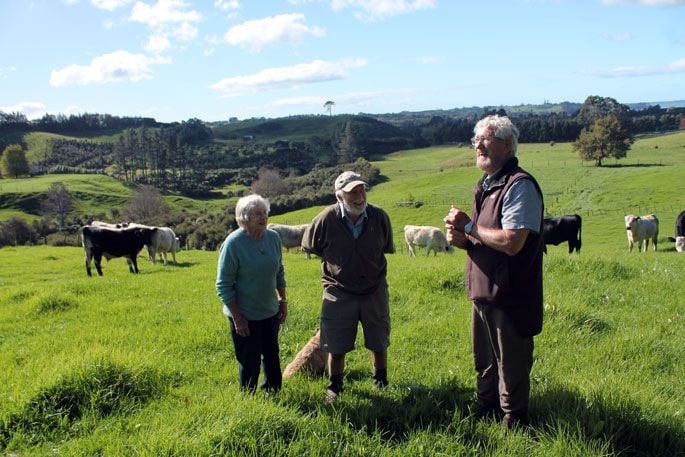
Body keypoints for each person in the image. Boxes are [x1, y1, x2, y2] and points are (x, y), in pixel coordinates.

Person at [443, 115, 544, 429]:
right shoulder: (487, 186)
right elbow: (487, 239)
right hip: (484, 291)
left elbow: (512, 242)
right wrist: (463, 240)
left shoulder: (519, 185)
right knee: (485, 362)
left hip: (509, 295)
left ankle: (515, 423)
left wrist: (470, 227)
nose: (477, 145)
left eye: (485, 139)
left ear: (507, 144)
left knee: (510, 364)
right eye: (476, 139)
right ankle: (486, 413)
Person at [302, 171, 395, 402]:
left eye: (361, 190)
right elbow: (311, 246)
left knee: (378, 339)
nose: (359, 196)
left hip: (374, 289)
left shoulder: (379, 217)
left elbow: (385, 246)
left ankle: (380, 381)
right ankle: (335, 387)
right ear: (339, 196)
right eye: (352, 192)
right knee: (336, 343)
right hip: (338, 291)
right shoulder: (325, 219)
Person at [216, 194, 288, 392]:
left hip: (270, 312)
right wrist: (238, 318)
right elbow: (223, 285)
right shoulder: (233, 244)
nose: (263, 217)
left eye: (264, 212)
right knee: (250, 361)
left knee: (272, 357)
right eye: (257, 213)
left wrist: (283, 300)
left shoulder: (273, 237)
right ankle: (249, 400)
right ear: (244, 217)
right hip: (245, 316)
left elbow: (279, 271)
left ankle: (273, 393)